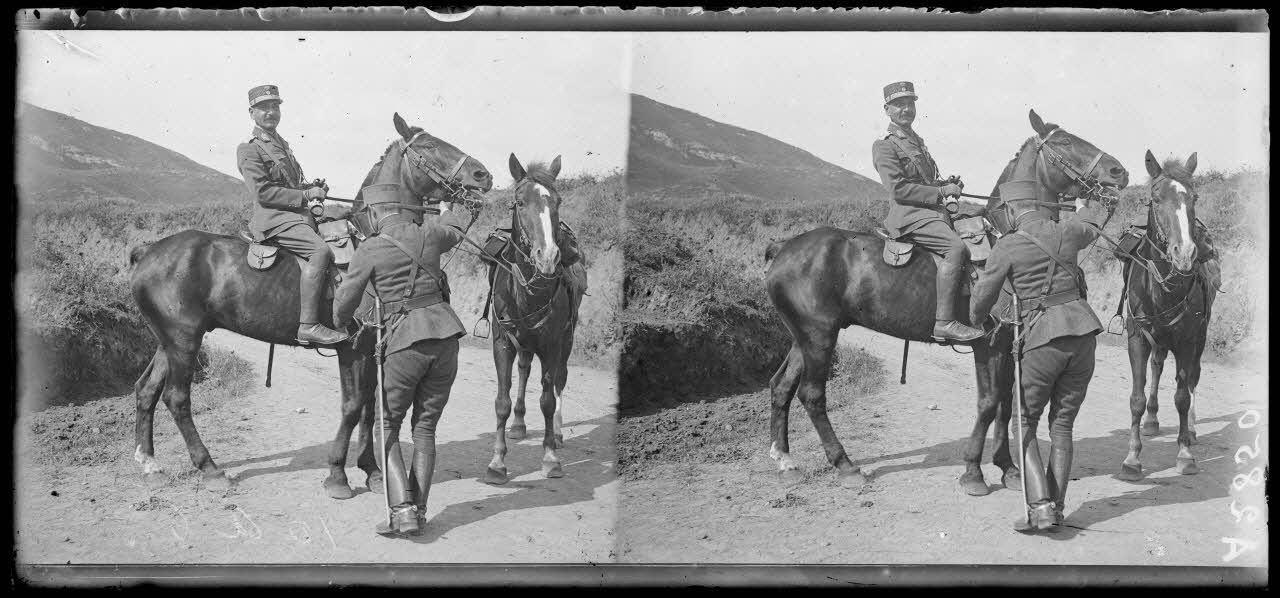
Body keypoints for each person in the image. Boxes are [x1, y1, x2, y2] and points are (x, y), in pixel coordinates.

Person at [969, 181, 1115, 532]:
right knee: (1062, 425)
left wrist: (977, 317)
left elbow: (980, 302)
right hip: (1084, 335)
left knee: (1024, 422)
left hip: (1042, 339)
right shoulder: (1068, 230)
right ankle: (1057, 508)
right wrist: (1083, 205)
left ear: (1011, 210)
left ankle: (1040, 507)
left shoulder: (1007, 245)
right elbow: (1092, 224)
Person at [332, 183, 474, 536]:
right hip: (446, 338)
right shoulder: (430, 233)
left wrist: (341, 317)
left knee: (386, 425)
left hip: (405, 342)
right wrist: (447, 209)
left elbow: (343, 306)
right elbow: (455, 229)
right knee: (425, 429)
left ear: (374, 212)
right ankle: (419, 512)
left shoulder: (370, 248)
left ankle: (402, 511)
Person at [871, 81, 984, 343]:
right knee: (956, 248)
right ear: (887, 110)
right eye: (899, 104)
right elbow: (898, 189)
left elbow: (925, 182)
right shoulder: (885, 145)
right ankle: (944, 322)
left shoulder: (916, 141)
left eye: (910, 103)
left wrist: (945, 184)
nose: (906, 109)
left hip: (929, 211)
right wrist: (941, 192)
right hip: (909, 216)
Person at [236, 84, 347, 346]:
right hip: (274, 220)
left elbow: (291, 186)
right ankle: (308, 325)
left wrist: (312, 188)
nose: (270, 112)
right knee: (320, 252)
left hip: (295, 216)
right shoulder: (249, 149)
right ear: (252, 113)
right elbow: (263, 193)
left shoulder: (281, 145)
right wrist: (306, 195)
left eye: (275, 106)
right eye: (264, 107)